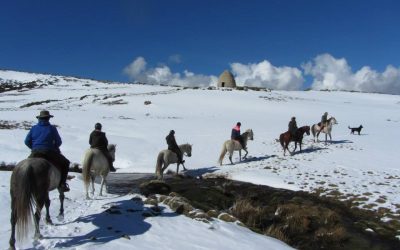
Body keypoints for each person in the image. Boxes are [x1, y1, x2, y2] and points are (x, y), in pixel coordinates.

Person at [25, 110, 70, 192]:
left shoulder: (33, 128)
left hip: (35, 152)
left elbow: (26, 141)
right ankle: (62, 184)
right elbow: (59, 142)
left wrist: (34, 148)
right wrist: (54, 147)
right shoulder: (52, 128)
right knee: (66, 163)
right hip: (49, 152)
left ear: (39, 119)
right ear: (48, 118)